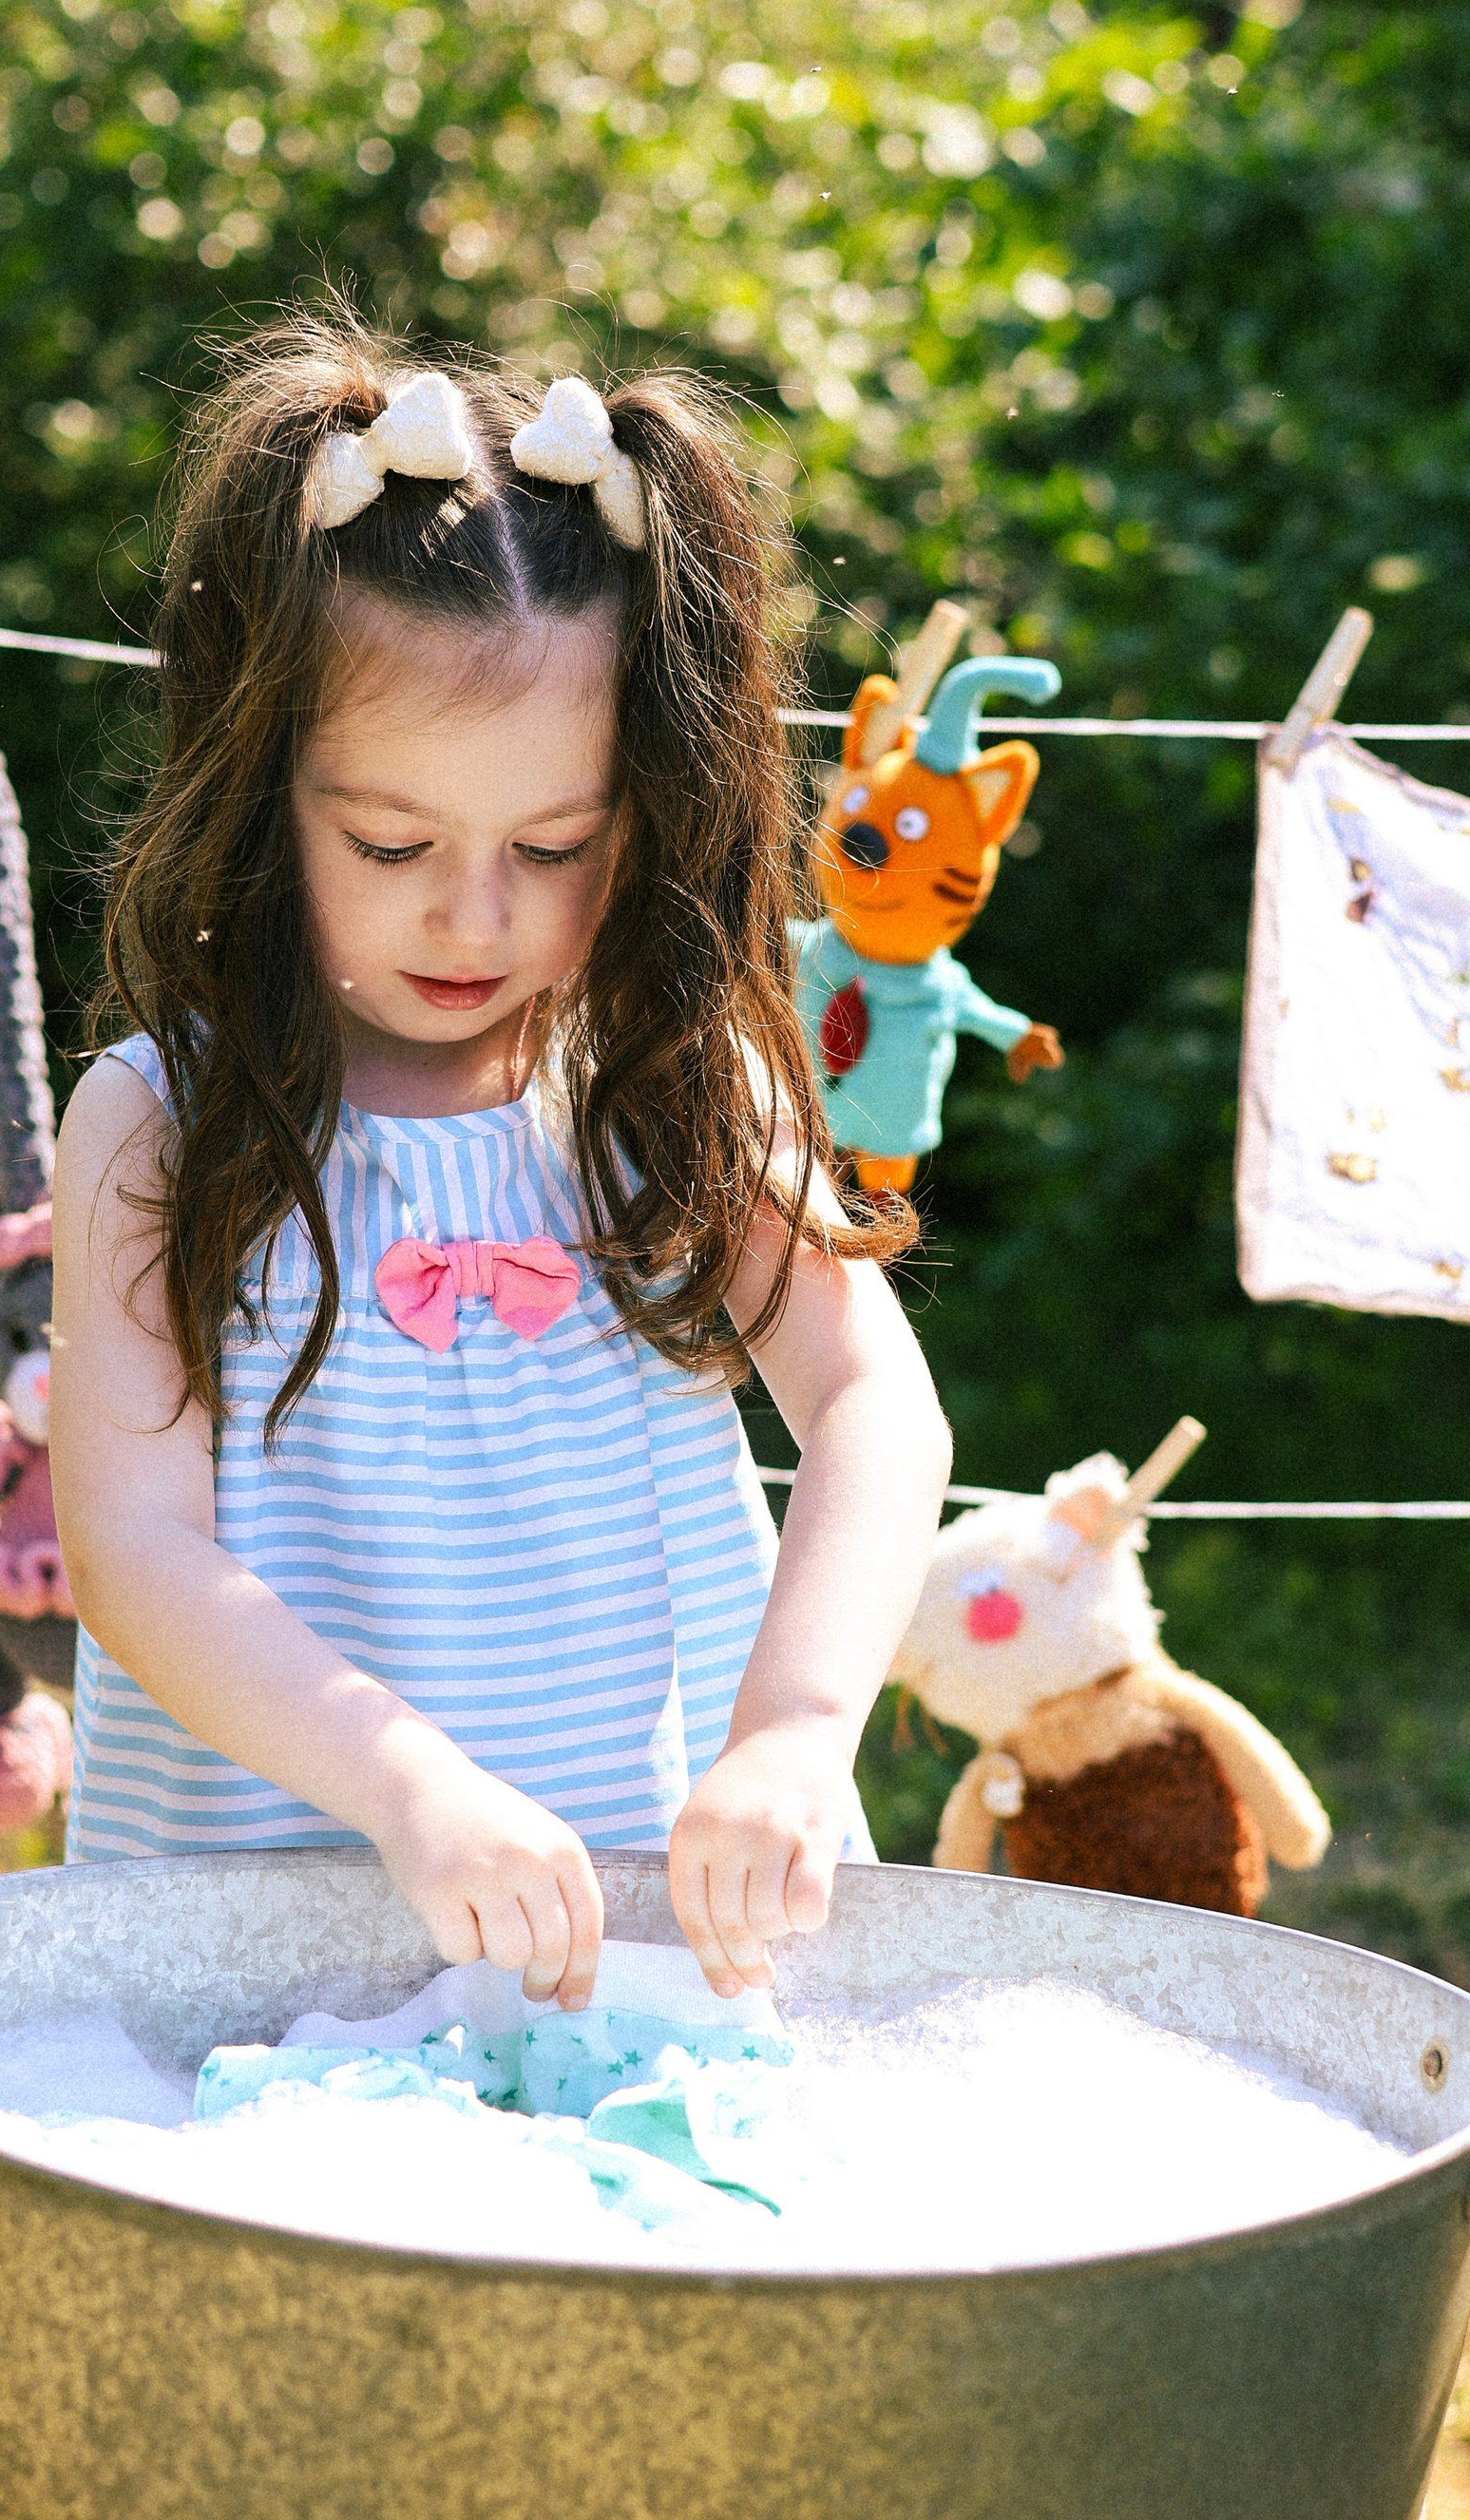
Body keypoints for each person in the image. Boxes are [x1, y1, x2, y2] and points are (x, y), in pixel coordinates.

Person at [52, 316, 951, 2033]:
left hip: (640, 1955)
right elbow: (137, 1553)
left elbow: (874, 1412)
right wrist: (408, 1785)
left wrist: (793, 1732)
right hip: (266, 1960)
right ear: (261, 792)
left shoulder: (667, 1083)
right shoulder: (166, 1122)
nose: (476, 916)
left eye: (553, 847)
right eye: (391, 845)